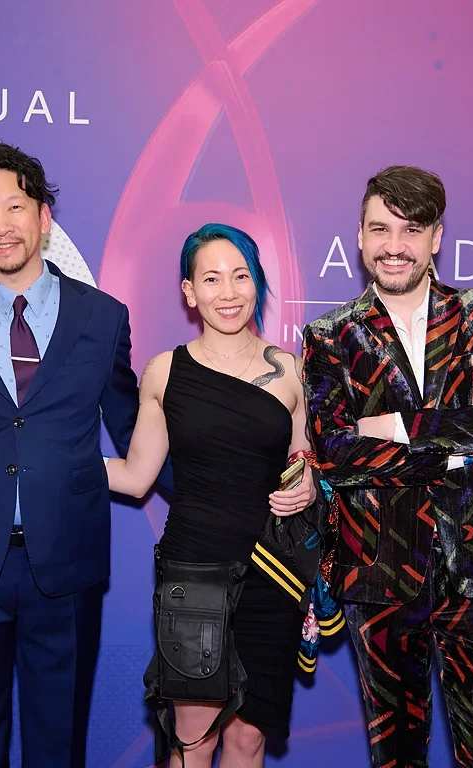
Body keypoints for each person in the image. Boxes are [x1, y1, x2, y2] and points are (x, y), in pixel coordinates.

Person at [0, 140, 170, 766]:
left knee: (59, 746)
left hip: (65, 565)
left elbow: (133, 422)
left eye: (14, 207)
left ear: (43, 217)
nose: (1, 226)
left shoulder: (103, 316)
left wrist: (225, 493)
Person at [302, 166, 473, 768]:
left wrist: (399, 427)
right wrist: (463, 434)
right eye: (380, 228)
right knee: (397, 758)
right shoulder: (330, 336)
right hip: (380, 574)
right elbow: (336, 452)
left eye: (412, 229)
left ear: (437, 237)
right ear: (358, 236)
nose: (394, 245)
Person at [107, 223, 321, 768]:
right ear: (189, 291)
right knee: (193, 735)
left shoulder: (291, 371)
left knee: (250, 736)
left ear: (257, 283)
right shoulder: (164, 372)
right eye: (211, 279)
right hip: (193, 571)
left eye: (241, 276)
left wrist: (306, 486)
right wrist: (51, 460)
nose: (228, 293)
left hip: (273, 572)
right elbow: (136, 477)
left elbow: (303, 464)